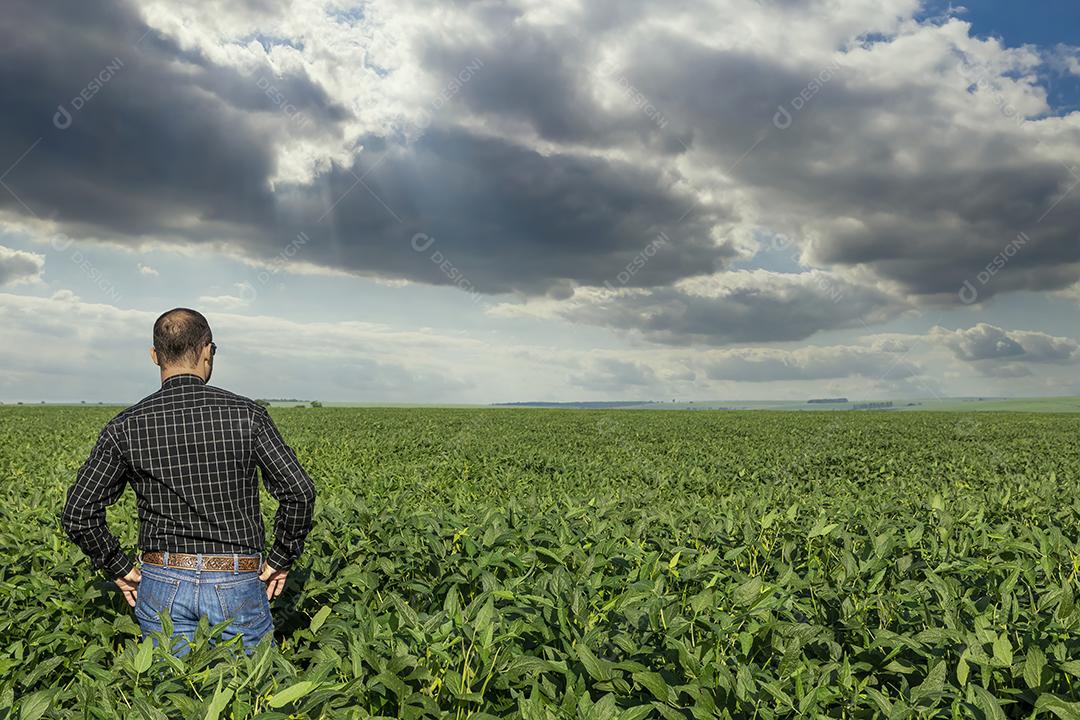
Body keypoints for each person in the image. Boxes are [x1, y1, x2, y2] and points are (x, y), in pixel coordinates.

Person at [61, 308, 316, 653]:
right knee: (249, 694)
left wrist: (119, 567)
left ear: (155, 356)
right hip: (236, 576)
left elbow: (78, 512)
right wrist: (281, 558)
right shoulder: (247, 415)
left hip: (162, 578)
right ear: (208, 350)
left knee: (173, 695)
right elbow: (299, 492)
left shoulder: (126, 426)